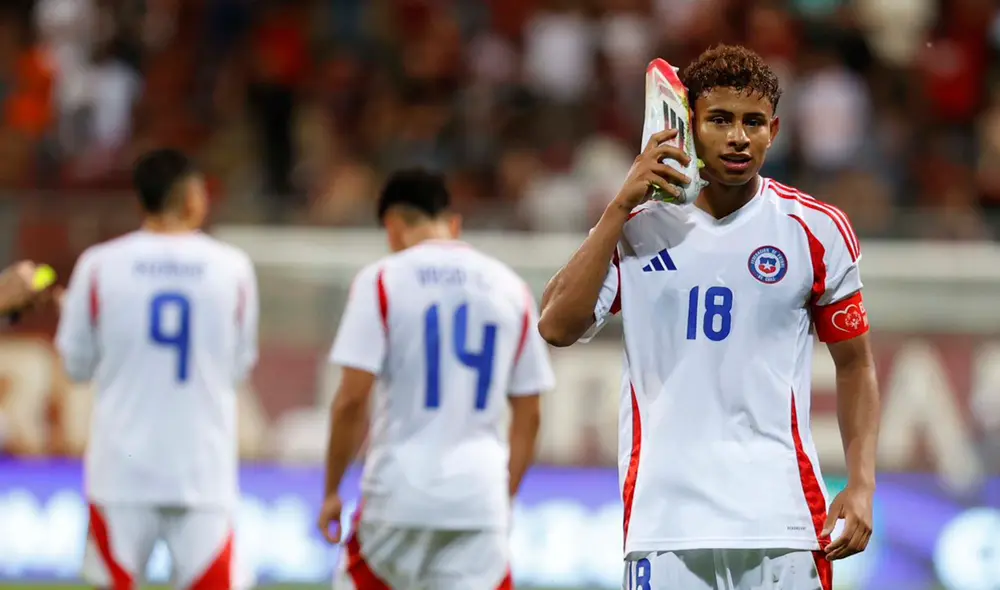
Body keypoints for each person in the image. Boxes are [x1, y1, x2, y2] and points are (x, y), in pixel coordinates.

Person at [538, 45, 880, 590]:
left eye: (753, 123)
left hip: (783, 522)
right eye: (719, 120)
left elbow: (856, 365)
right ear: (687, 124)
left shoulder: (814, 229)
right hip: (664, 525)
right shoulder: (638, 227)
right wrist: (618, 206)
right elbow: (556, 326)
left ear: (775, 129)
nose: (738, 137)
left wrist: (861, 484)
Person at [317, 169, 555, 589]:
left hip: (398, 495)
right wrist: (503, 498)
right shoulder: (511, 288)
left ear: (392, 226)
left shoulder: (383, 280)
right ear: (454, 224)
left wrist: (333, 490)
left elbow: (351, 400)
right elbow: (530, 415)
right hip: (478, 498)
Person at [55, 148, 259, 590]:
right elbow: (239, 366)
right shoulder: (233, 268)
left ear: (140, 201)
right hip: (202, 471)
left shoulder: (99, 264)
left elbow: (76, 366)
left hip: (120, 471)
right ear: (190, 198)